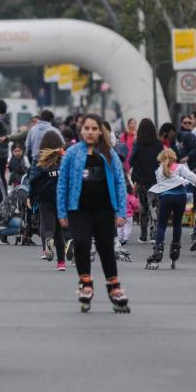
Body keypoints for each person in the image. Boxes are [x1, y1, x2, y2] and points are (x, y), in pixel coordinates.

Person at [56, 114, 130, 313]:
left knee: (106, 248)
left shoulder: (109, 154)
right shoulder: (72, 153)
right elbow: (62, 183)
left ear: (100, 132)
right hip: (78, 209)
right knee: (81, 243)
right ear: (81, 131)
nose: (90, 132)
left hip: (104, 209)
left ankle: (114, 288)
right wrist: (62, 211)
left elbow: (120, 183)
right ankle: (85, 284)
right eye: (86, 128)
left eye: (94, 128)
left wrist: (121, 211)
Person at [146, 149, 196, 269]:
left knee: (161, 225)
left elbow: (161, 185)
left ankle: (158, 250)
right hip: (180, 197)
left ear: (161, 158)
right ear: (174, 157)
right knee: (177, 223)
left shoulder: (159, 170)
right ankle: (175, 248)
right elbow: (191, 176)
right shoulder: (180, 167)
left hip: (166, 198)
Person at [29, 133, 67, 270]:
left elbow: (33, 179)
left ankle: (47, 243)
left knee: (47, 226)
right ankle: (61, 263)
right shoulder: (64, 157)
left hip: (45, 198)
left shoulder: (39, 158)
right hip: (61, 198)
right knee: (60, 232)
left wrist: (31, 196)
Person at [128, 119, 163, 242]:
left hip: (141, 180)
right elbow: (162, 161)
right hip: (155, 180)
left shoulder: (138, 144)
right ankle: (154, 235)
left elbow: (131, 160)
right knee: (154, 206)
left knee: (143, 208)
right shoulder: (158, 144)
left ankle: (143, 236)